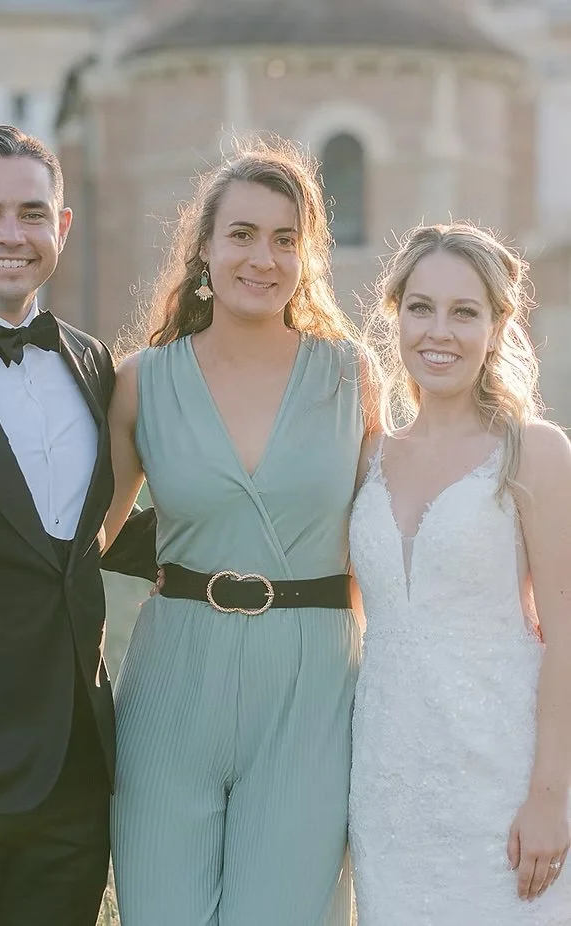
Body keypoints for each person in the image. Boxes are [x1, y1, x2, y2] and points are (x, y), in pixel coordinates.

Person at [103, 135, 376, 925]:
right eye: (243, 235)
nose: (263, 258)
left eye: (286, 239)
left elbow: (384, 546)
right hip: (173, 677)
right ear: (204, 250)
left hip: (311, 686)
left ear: (306, 257)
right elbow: (85, 543)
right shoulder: (141, 382)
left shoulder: (350, 376)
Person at [0, 124, 156, 926]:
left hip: (74, 773)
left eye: (32, 213)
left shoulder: (89, 361)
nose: (12, 234)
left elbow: (81, 534)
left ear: (62, 227)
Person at [348, 221, 571, 925]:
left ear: (498, 326)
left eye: (464, 312)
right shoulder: (366, 456)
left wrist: (550, 798)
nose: (438, 332)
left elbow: (566, 638)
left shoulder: (533, 452)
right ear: (396, 315)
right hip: (386, 790)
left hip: (503, 786)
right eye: (421, 308)